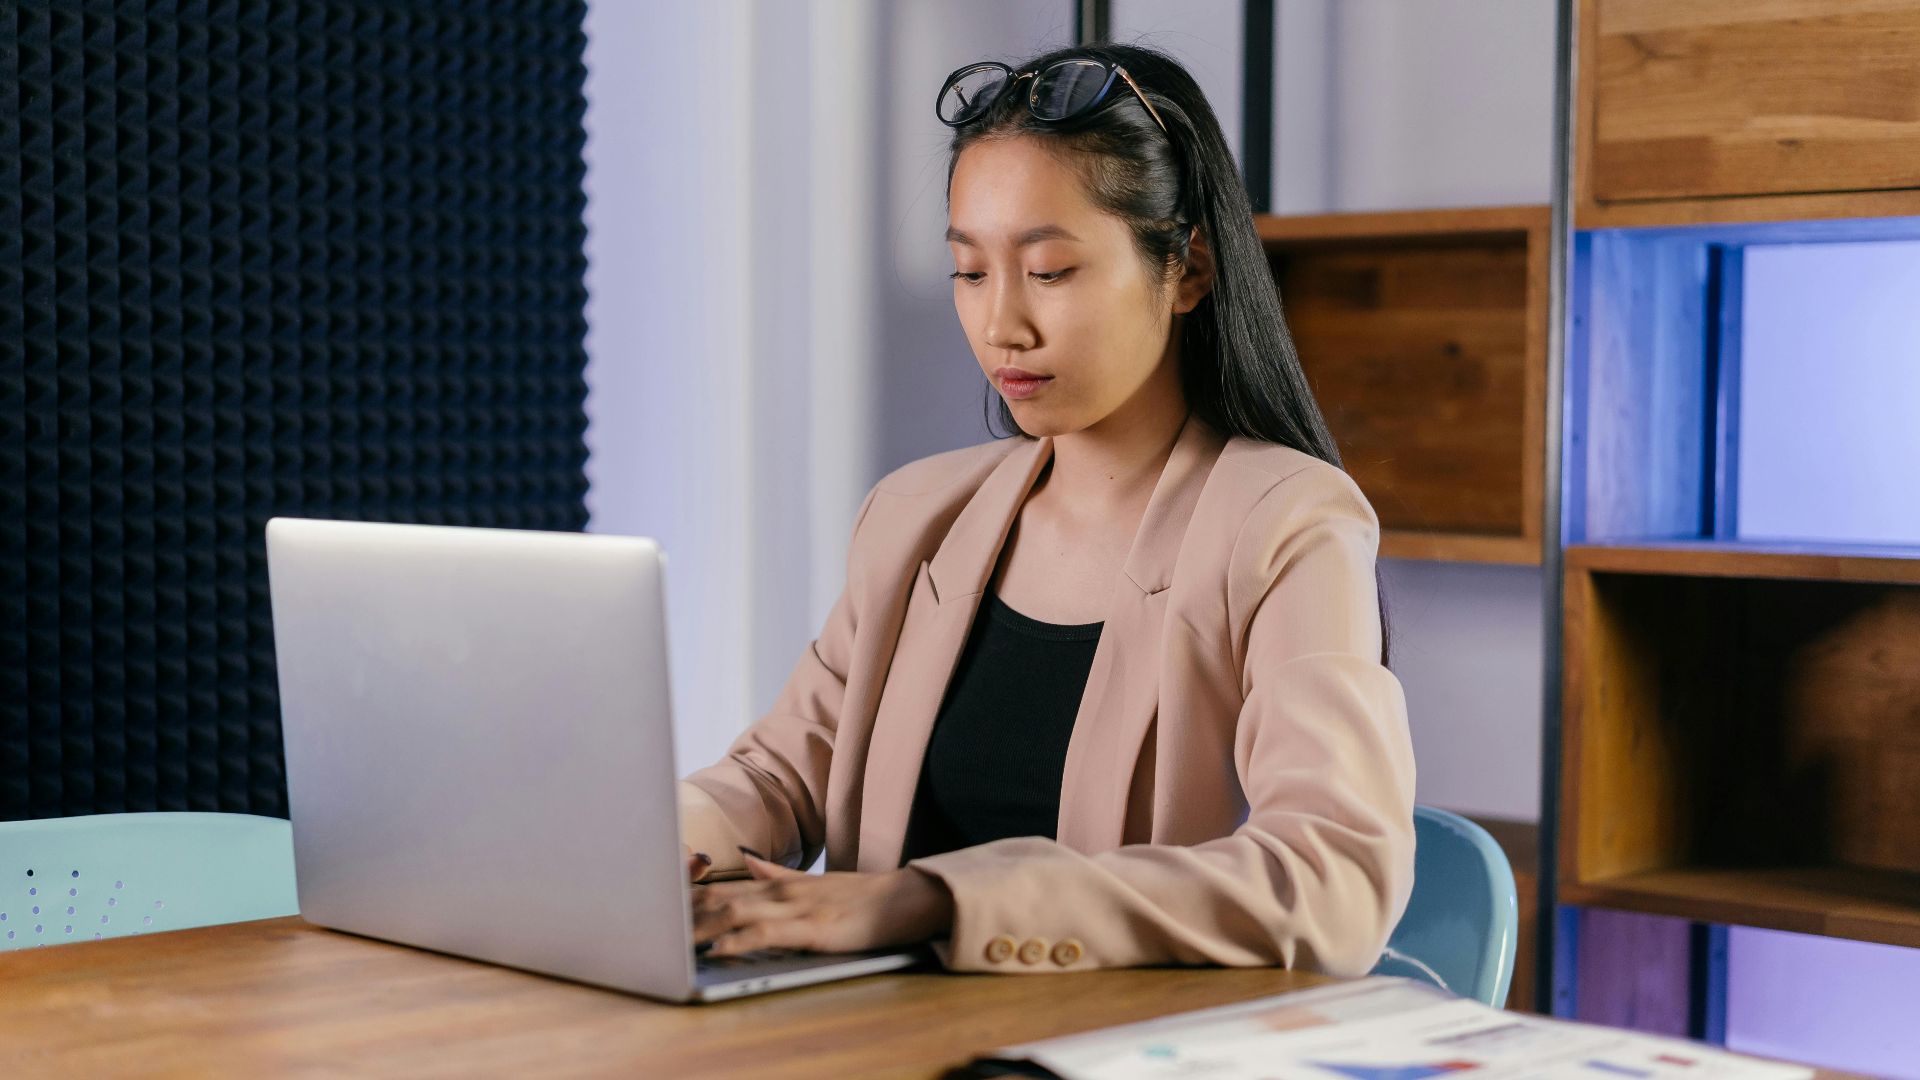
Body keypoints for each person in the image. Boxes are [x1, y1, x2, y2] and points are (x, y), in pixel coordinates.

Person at [678, 42, 1415, 976]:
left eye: (1051, 271)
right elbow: (776, 779)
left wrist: (930, 900)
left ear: (1187, 268)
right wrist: (645, 847)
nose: (1002, 325)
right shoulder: (915, 516)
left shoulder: (1285, 523)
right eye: (971, 272)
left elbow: (1334, 882)